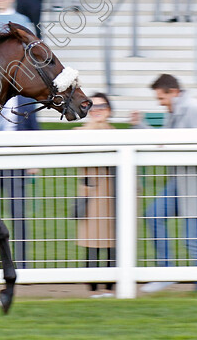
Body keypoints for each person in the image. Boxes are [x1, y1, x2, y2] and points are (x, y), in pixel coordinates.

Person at [131, 74, 197, 293]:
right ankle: (166, 274)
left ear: (174, 92)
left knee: (192, 238)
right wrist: (140, 125)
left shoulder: (195, 108)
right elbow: (164, 141)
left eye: (162, 98)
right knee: (153, 216)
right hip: (181, 181)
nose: (160, 102)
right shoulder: (175, 109)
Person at [73, 92, 116, 298]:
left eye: (103, 107)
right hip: (90, 193)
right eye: (94, 107)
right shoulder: (80, 132)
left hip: (112, 194)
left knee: (111, 241)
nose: (98, 111)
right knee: (91, 240)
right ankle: (92, 287)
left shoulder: (115, 133)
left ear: (109, 110)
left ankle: (109, 287)